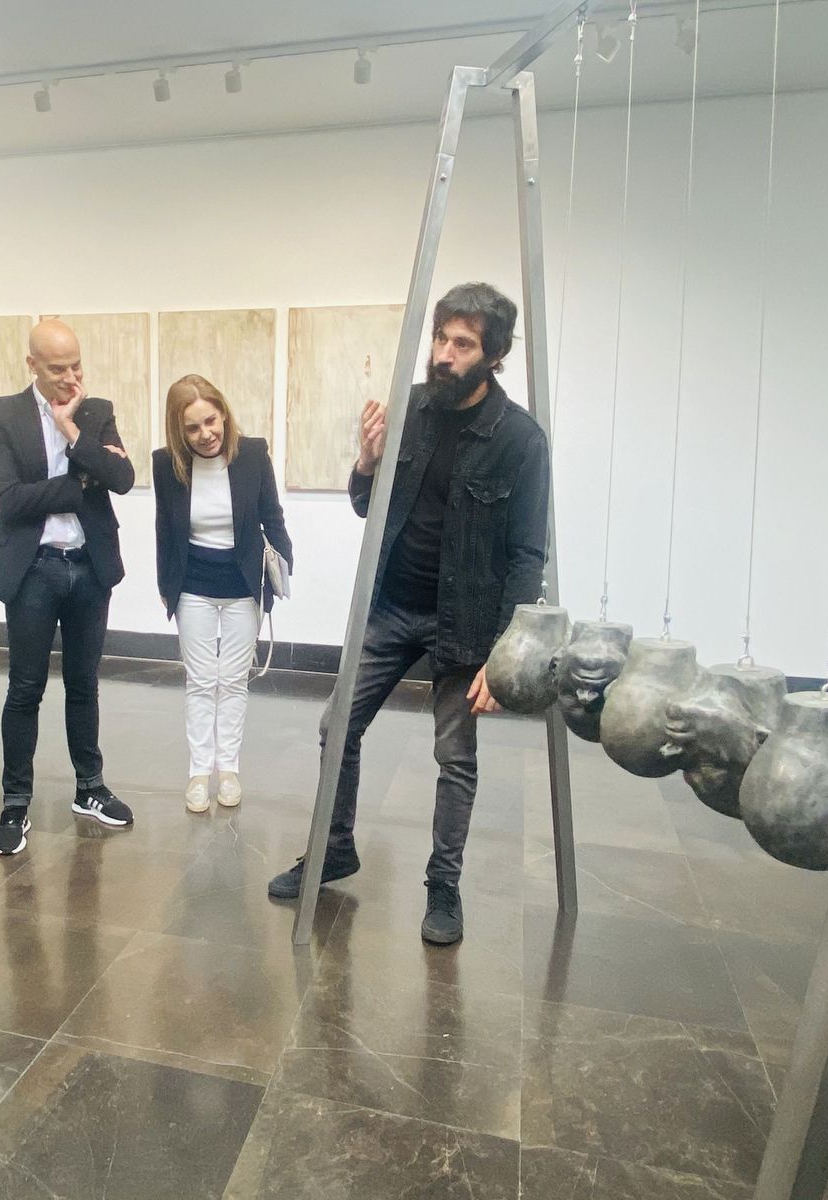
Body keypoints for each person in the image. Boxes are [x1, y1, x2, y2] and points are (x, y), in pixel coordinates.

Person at [266, 283, 550, 946]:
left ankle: (443, 885)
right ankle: (334, 848)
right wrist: (366, 461)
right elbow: (369, 505)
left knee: (455, 757)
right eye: (441, 338)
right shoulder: (415, 409)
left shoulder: (520, 440)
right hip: (391, 607)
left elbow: (527, 556)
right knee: (337, 725)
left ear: (495, 356)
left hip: (466, 623)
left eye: (463, 344)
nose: (444, 355)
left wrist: (506, 655)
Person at [0, 318, 135, 856]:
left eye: (76, 366)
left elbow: (123, 480)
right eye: (57, 369)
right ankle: (15, 801)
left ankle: (90, 787)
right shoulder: (1, 413)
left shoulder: (96, 411)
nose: (71, 377)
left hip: (90, 566)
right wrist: (79, 482)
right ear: (32, 365)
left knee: (84, 683)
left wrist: (72, 431)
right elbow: (8, 499)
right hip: (33, 569)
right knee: (25, 688)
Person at [153, 374, 292, 813]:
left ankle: (228, 769)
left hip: (242, 585)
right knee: (200, 680)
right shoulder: (166, 464)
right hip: (192, 584)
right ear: (178, 430)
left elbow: (272, 517)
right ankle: (199, 773)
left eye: (211, 421)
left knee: (232, 680)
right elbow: (164, 528)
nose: (205, 434)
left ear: (224, 415)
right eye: (192, 428)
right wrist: (164, 584)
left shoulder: (252, 454)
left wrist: (282, 570)